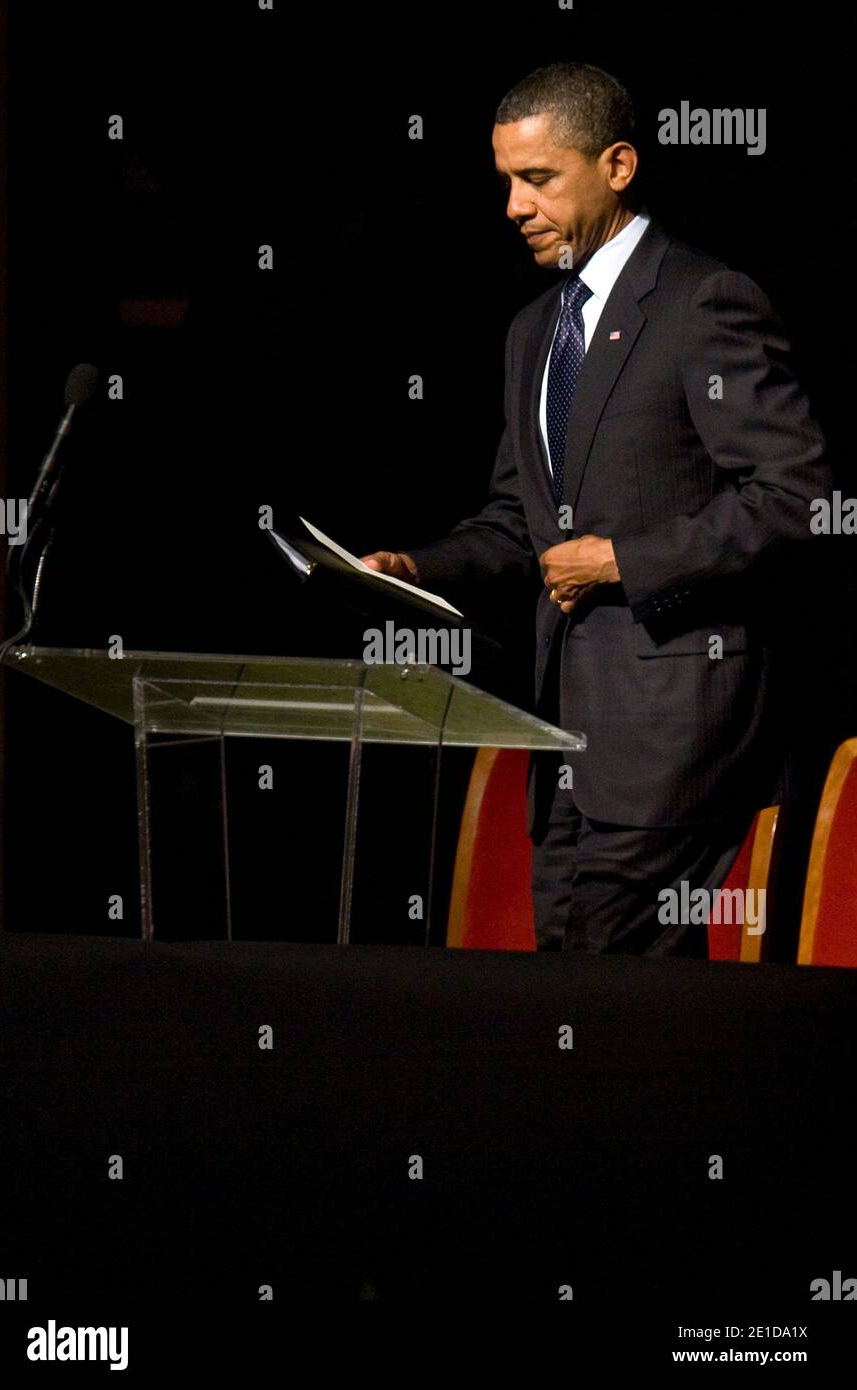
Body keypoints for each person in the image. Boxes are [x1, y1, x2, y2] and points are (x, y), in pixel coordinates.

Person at [362, 62, 831, 956]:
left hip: (675, 735)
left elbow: (799, 498)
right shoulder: (533, 330)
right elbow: (517, 523)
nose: (514, 206)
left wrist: (622, 560)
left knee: (615, 990)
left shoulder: (703, 302)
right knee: (574, 991)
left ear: (618, 166)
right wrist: (420, 567)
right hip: (566, 741)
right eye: (505, 180)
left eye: (538, 179)